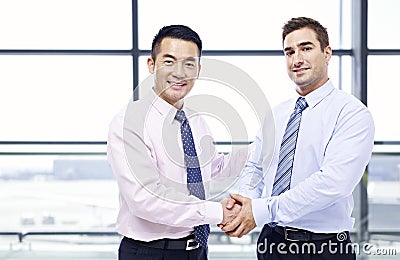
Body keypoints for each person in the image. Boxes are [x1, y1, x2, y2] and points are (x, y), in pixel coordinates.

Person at [220, 17, 375, 260]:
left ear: (327, 53)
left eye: (306, 48)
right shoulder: (277, 114)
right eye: (289, 52)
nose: (297, 59)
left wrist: (262, 210)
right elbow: (255, 166)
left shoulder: (352, 113)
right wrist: (243, 202)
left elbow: (333, 183)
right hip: (272, 242)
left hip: (324, 248)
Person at [107, 25, 245, 260]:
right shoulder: (129, 122)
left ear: (198, 70)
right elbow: (147, 198)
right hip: (150, 253)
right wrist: (218, 212)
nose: (180, 73)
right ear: (152, 65)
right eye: (169, 61)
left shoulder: (195, 119)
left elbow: (211, 169)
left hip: (196, 250)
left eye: (189, 64)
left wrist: (262, 148)